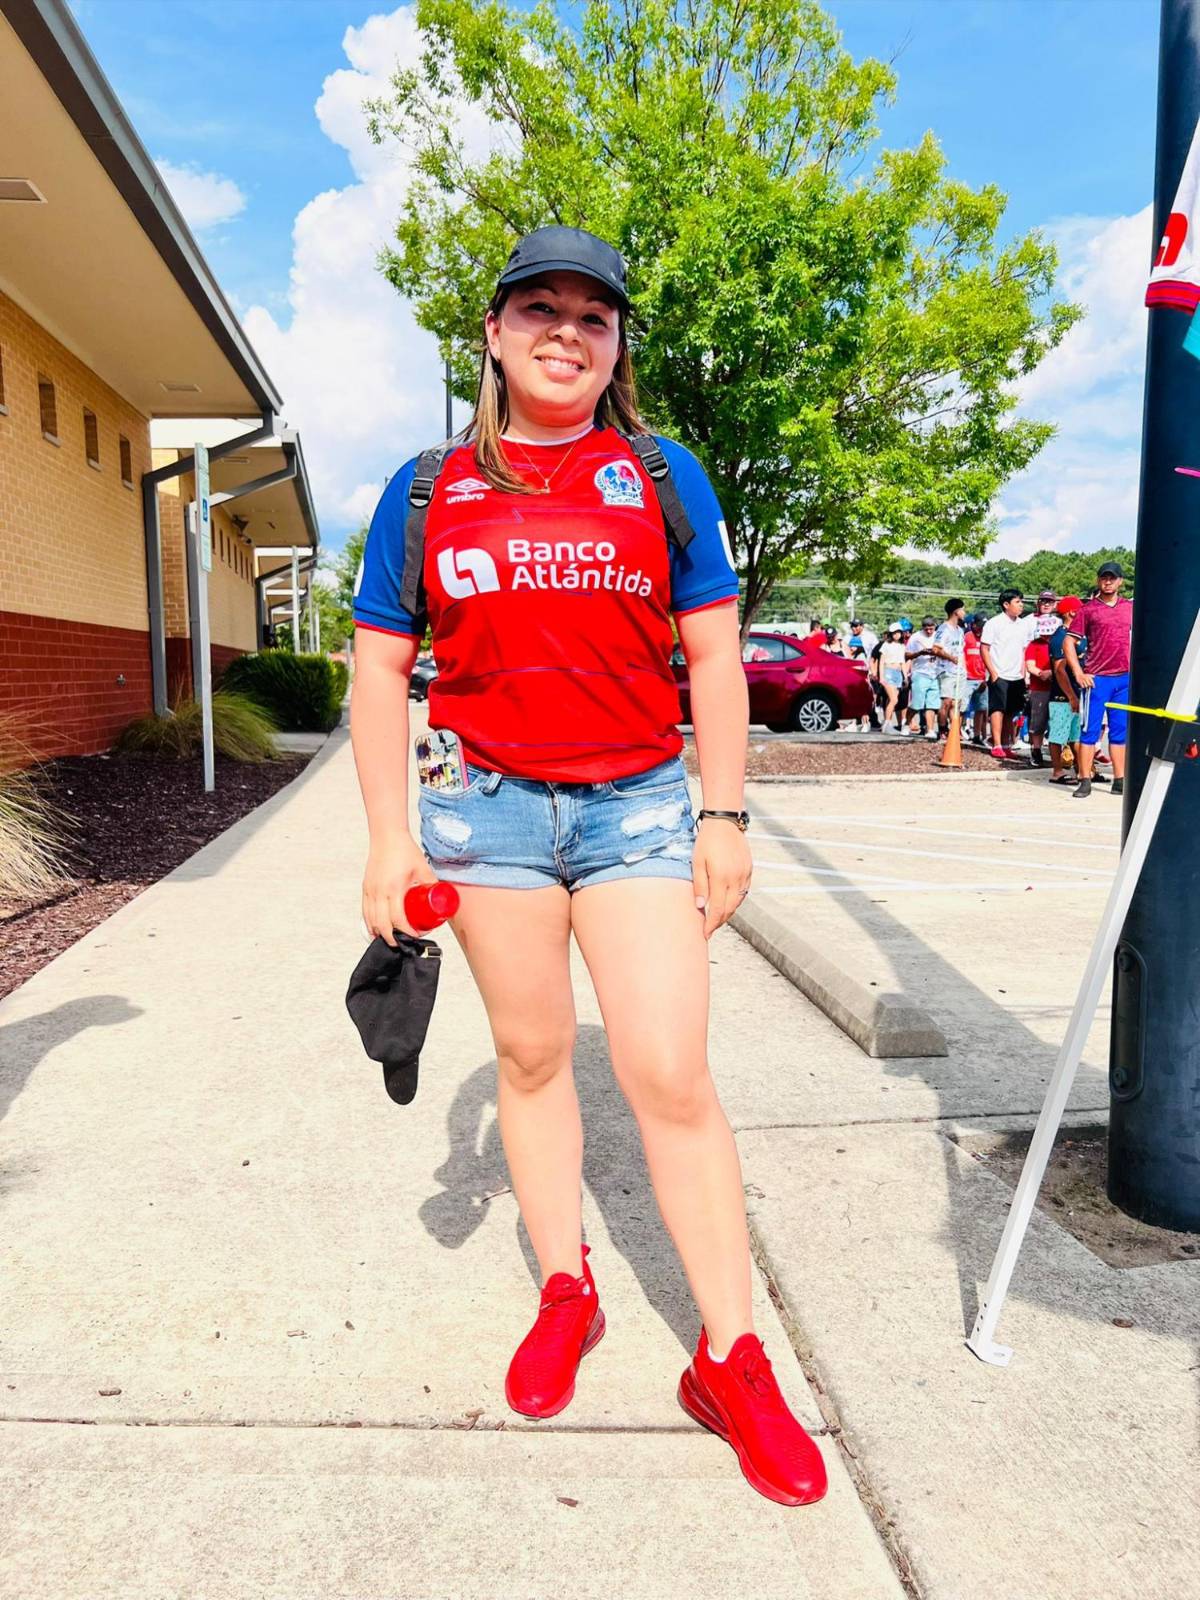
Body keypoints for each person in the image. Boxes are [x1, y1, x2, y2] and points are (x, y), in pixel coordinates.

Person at [349, 226, 825, 1508]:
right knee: (532, 1057)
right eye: (540, 307)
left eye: (594, 316)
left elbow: (716, 657)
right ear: (494, 334)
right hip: (486, 818)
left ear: (616, 348)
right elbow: (384, 668)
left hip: (635, 810)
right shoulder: (422, 488)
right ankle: (568, 1285)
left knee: (668, 1070)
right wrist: (389, 837)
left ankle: (730, 1356)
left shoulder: (661, 475)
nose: (567, 329)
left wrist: (722, 813)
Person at [1064, 560, 1133, 799]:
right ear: (1098, 581)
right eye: (1104, 577)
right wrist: (1078, 672)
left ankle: (1120, 779)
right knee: (1089, 731)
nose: (1108, 581)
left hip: (1123, 678)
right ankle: (1084, 779)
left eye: (1112, 578)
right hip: (1097, 679)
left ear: (1120, 581)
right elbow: (1068, 642)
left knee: (1119, 731)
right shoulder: (1089, 609)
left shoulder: (1130, 607)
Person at [980, 588, 1037, 761]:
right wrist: (993, 672)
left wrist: (1023, 671)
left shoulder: (1023, 624)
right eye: (1017, 602)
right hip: (1000, 673)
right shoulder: (994, 623)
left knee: (1012, 711)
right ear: (1006, 605)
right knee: (998, 709)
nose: (1021, 605)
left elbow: (1024, 649)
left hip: (1016, 676)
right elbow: (984, 648)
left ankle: (1007, 744)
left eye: (1021, 602)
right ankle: (996, 744)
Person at [1046, 595, 1086, 785]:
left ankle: (1083, 770)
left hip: (1078, 694)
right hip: (1062, 697)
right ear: (1072, 612)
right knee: (1058, 734)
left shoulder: (1077, 635)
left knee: (1076, 736)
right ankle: (1057, 771)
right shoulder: (1060, 638)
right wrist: (1070, 696)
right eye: (1081, 609)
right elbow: (1059, 671)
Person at [905, 615, 943, 741]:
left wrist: (937, 653)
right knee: (917, 703)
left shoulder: (939, 636)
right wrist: (920, 653)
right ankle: (906, 723)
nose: (929, 631)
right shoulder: (915, 637)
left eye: (931, 629)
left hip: (935, 673)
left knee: (931, 705)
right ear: (923, 628)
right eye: (926, 629)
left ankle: (930, 729)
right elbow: (907, 655)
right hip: (920, 673)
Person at [932, 598, 966, 735]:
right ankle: (942, 730)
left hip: (959, 672)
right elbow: (936, 649)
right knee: (946, 702)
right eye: (963, 609)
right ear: (956, 611)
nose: (964, 612)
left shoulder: (960, 630)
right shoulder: (944, 628)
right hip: (946, 670)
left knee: (956, 703)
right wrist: (951, 658)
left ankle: (954, 732)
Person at [1024, 628, 1053, 768]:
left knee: (1058, 721)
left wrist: (1052, 673)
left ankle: (1060, 753)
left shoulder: (1059, 641)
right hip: (1039, 688)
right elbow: (1030, 665)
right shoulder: (1034, 645)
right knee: (1038, 721)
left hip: (1058, 687)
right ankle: (1036, 750)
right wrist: (1041, 673)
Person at [962, 612, 990, 745]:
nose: (981, 629)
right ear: (973, 625)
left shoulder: (987, 639)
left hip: (982, 679)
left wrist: (987, 678)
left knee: (981, 708)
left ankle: (977, 735)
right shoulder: (967, 637)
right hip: (967, 678)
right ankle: (958, 732)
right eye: (979, 626)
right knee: (962, 707)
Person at [877, 624, 908, 731]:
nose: (896, 635)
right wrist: (881, 677)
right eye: (894, 633)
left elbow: (903, 662)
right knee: (894, 699)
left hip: (898, 673)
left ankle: (887, 722)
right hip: (888, 672)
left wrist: (905, 677)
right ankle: (887, 723)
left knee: (892, 699)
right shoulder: (886, 645)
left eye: (898, 632)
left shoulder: (902, 646)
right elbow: (881, 662)